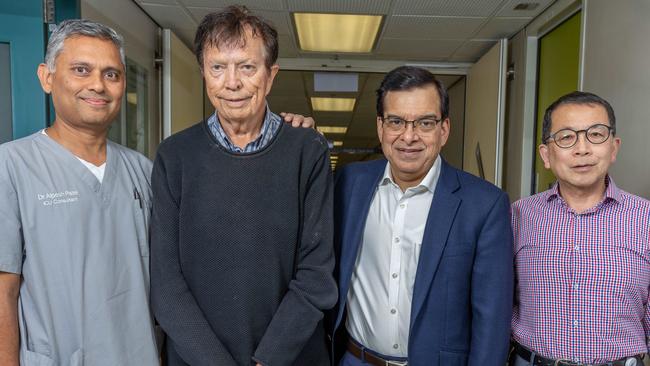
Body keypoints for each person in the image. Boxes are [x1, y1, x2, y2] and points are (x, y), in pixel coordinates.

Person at [150, 5, 337, 366]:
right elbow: (166, 284)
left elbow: (316, 275)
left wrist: (265, 360)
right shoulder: (174, 157)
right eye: (218, 67)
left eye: (247, 67)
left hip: (291, 357)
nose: (231, 82)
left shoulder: (307, 151)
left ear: (270, 75)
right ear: (203, 73)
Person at [329, 66, 513, 366]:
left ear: (444, 129)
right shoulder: (348, 184)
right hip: (355, 359)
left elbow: (491, 321)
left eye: (425, 123)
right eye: (396, 121)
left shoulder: (484, 205)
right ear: (380, 127)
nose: (409, 136)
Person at [0, 19, 160, 365]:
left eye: (111, 74)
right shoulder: (10, 166)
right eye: (81, 70)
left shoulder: (143, 171)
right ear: (47, 77)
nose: (98, 86)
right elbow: (3, 290)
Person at [510, 91, 650, 366]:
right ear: (546, 154)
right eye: (566, 137)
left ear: (614, 147)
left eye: (596, 135)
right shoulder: (517, 216)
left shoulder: (645, 219)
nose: (582, 149)